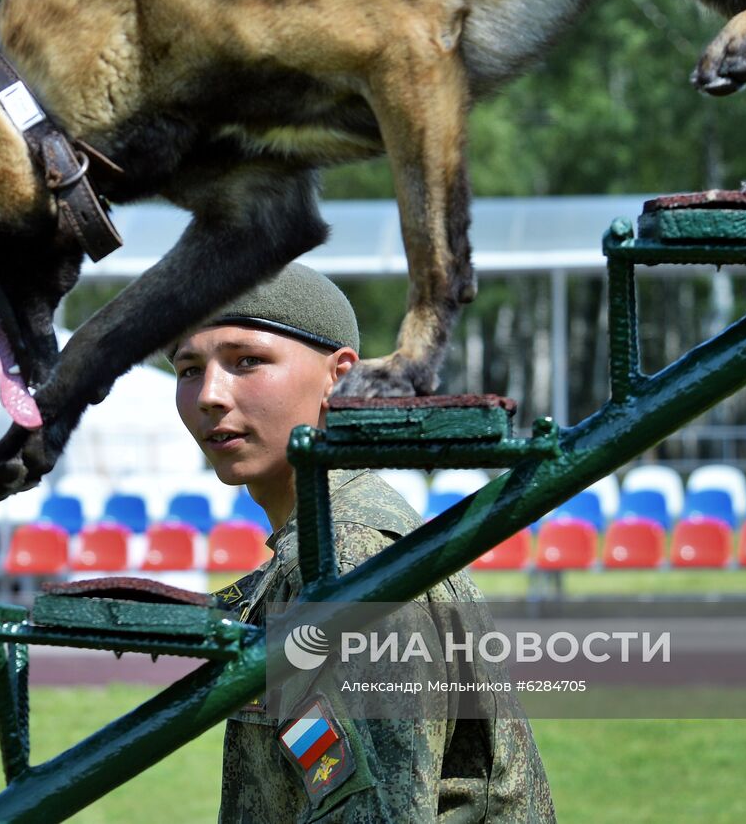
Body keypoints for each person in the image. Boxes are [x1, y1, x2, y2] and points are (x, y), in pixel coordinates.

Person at [169, 263, 556, 823]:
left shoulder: (347, 556)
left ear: (340, 376)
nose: (209, 394)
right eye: (188, 369)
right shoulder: (317, 545)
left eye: (246, 361)